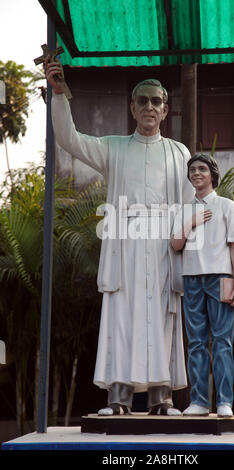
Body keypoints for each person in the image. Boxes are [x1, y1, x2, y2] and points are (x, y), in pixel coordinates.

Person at [46, 59, 195, 416]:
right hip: (124, 242)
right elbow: (68, 138)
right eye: (141, 100)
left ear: (165, 109)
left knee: (163, 316)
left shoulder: (179, 153)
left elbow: (191, 207)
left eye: (155, 101)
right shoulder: (112, 147)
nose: (148, 107)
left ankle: (162, 399)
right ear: (132, 107)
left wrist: (184, 242)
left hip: (163, 242)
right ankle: (118, 399)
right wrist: (59, 94)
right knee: (122, 315)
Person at [171, 153, 234, 418]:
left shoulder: (227, 206)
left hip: (221, 278)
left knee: (223, 342)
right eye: (192, 169)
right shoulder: (183, 209)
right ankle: (200, 401)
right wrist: (191, 221)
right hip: (192, 279)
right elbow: (175, 245)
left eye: (202, 169)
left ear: (212, 174)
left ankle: (225, 401)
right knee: (196, 343)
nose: (196, 173)